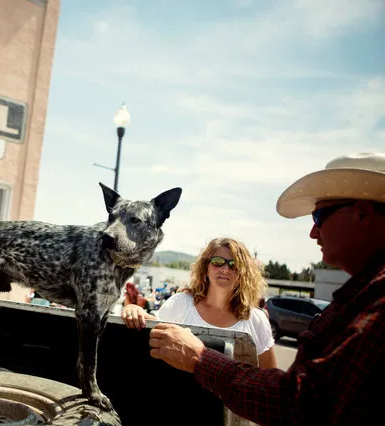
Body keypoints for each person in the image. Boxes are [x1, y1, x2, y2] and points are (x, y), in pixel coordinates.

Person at [148, 152, 385, 425]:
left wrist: (199, 358)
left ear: (362, 214)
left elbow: (297, 403)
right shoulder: (364, 297)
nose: (312, 232)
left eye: (319, 215)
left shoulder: (376, 302)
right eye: (217, 262)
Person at [123, 238, 277, 369]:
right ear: (206, 267)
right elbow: (155, 334)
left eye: (234, 264)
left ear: (243, 273)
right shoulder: (180, 303)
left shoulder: (255, 319)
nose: (225, 269)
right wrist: (133, 309)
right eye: (218, 262)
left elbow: (269, 379)